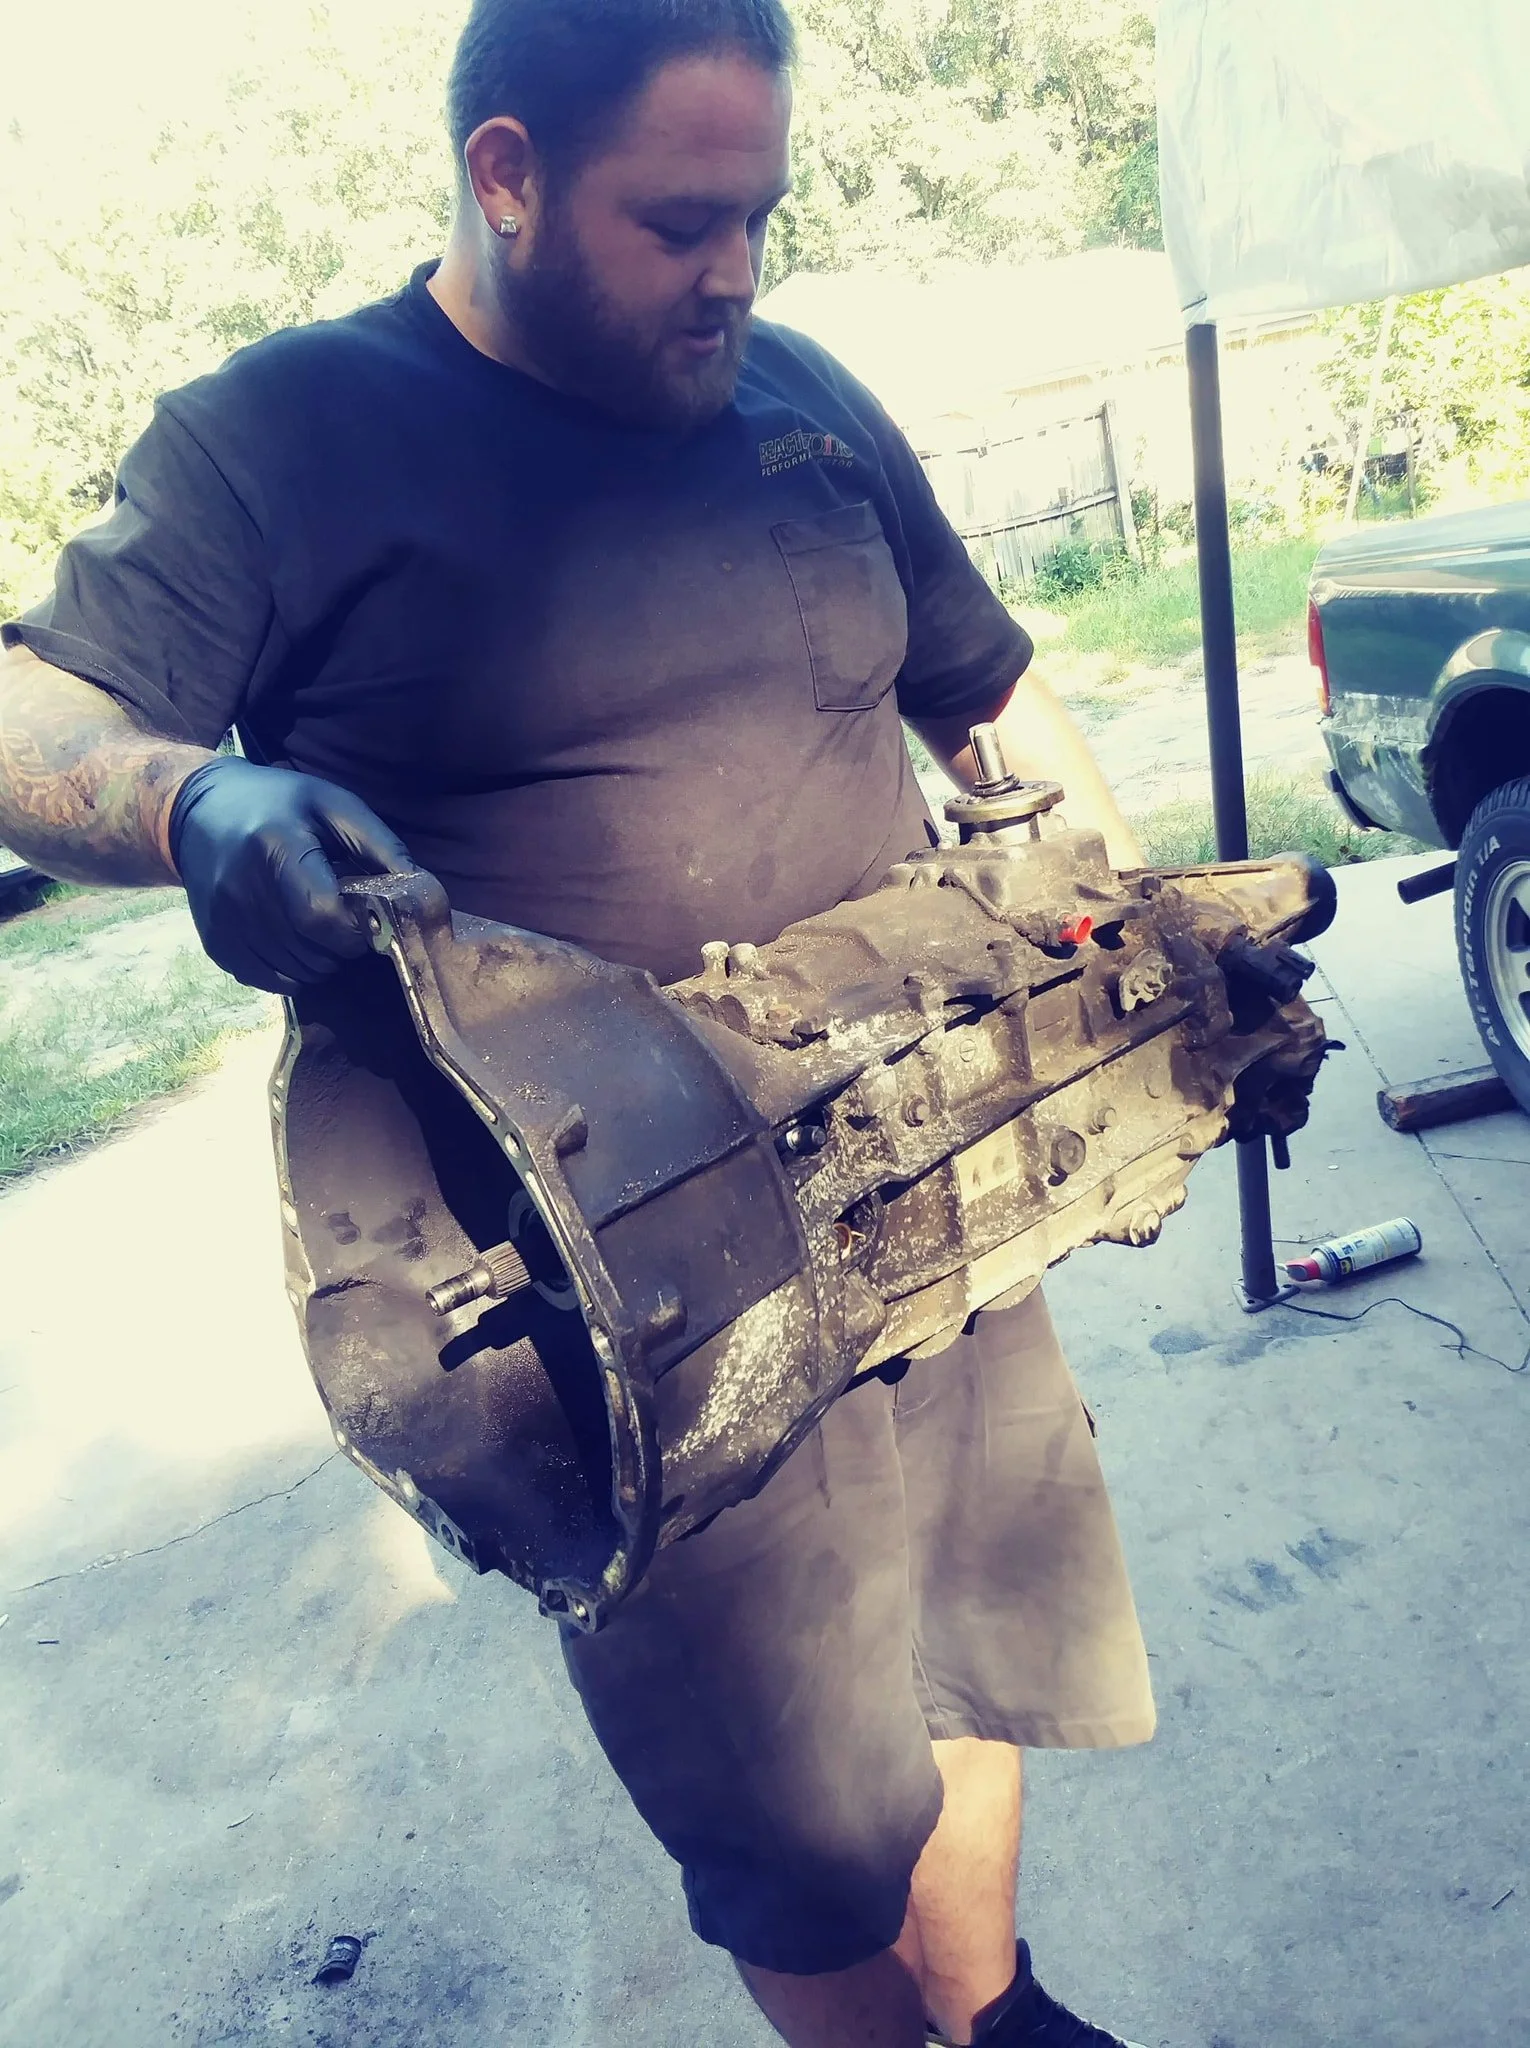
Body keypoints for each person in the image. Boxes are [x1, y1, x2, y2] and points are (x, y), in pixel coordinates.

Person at [0, 3, 1157, 2040]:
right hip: (625, 1300)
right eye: (680, 220)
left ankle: (995, 2006)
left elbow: (983, 689)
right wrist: (193, 802)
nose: (733, 269)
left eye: (759, 218)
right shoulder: (280, 435)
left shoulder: (804, 394)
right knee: (796, 1808)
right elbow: (31, 712)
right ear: (507, 174)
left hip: (943, 1165)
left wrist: (1132, 923)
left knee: (982, 1652)